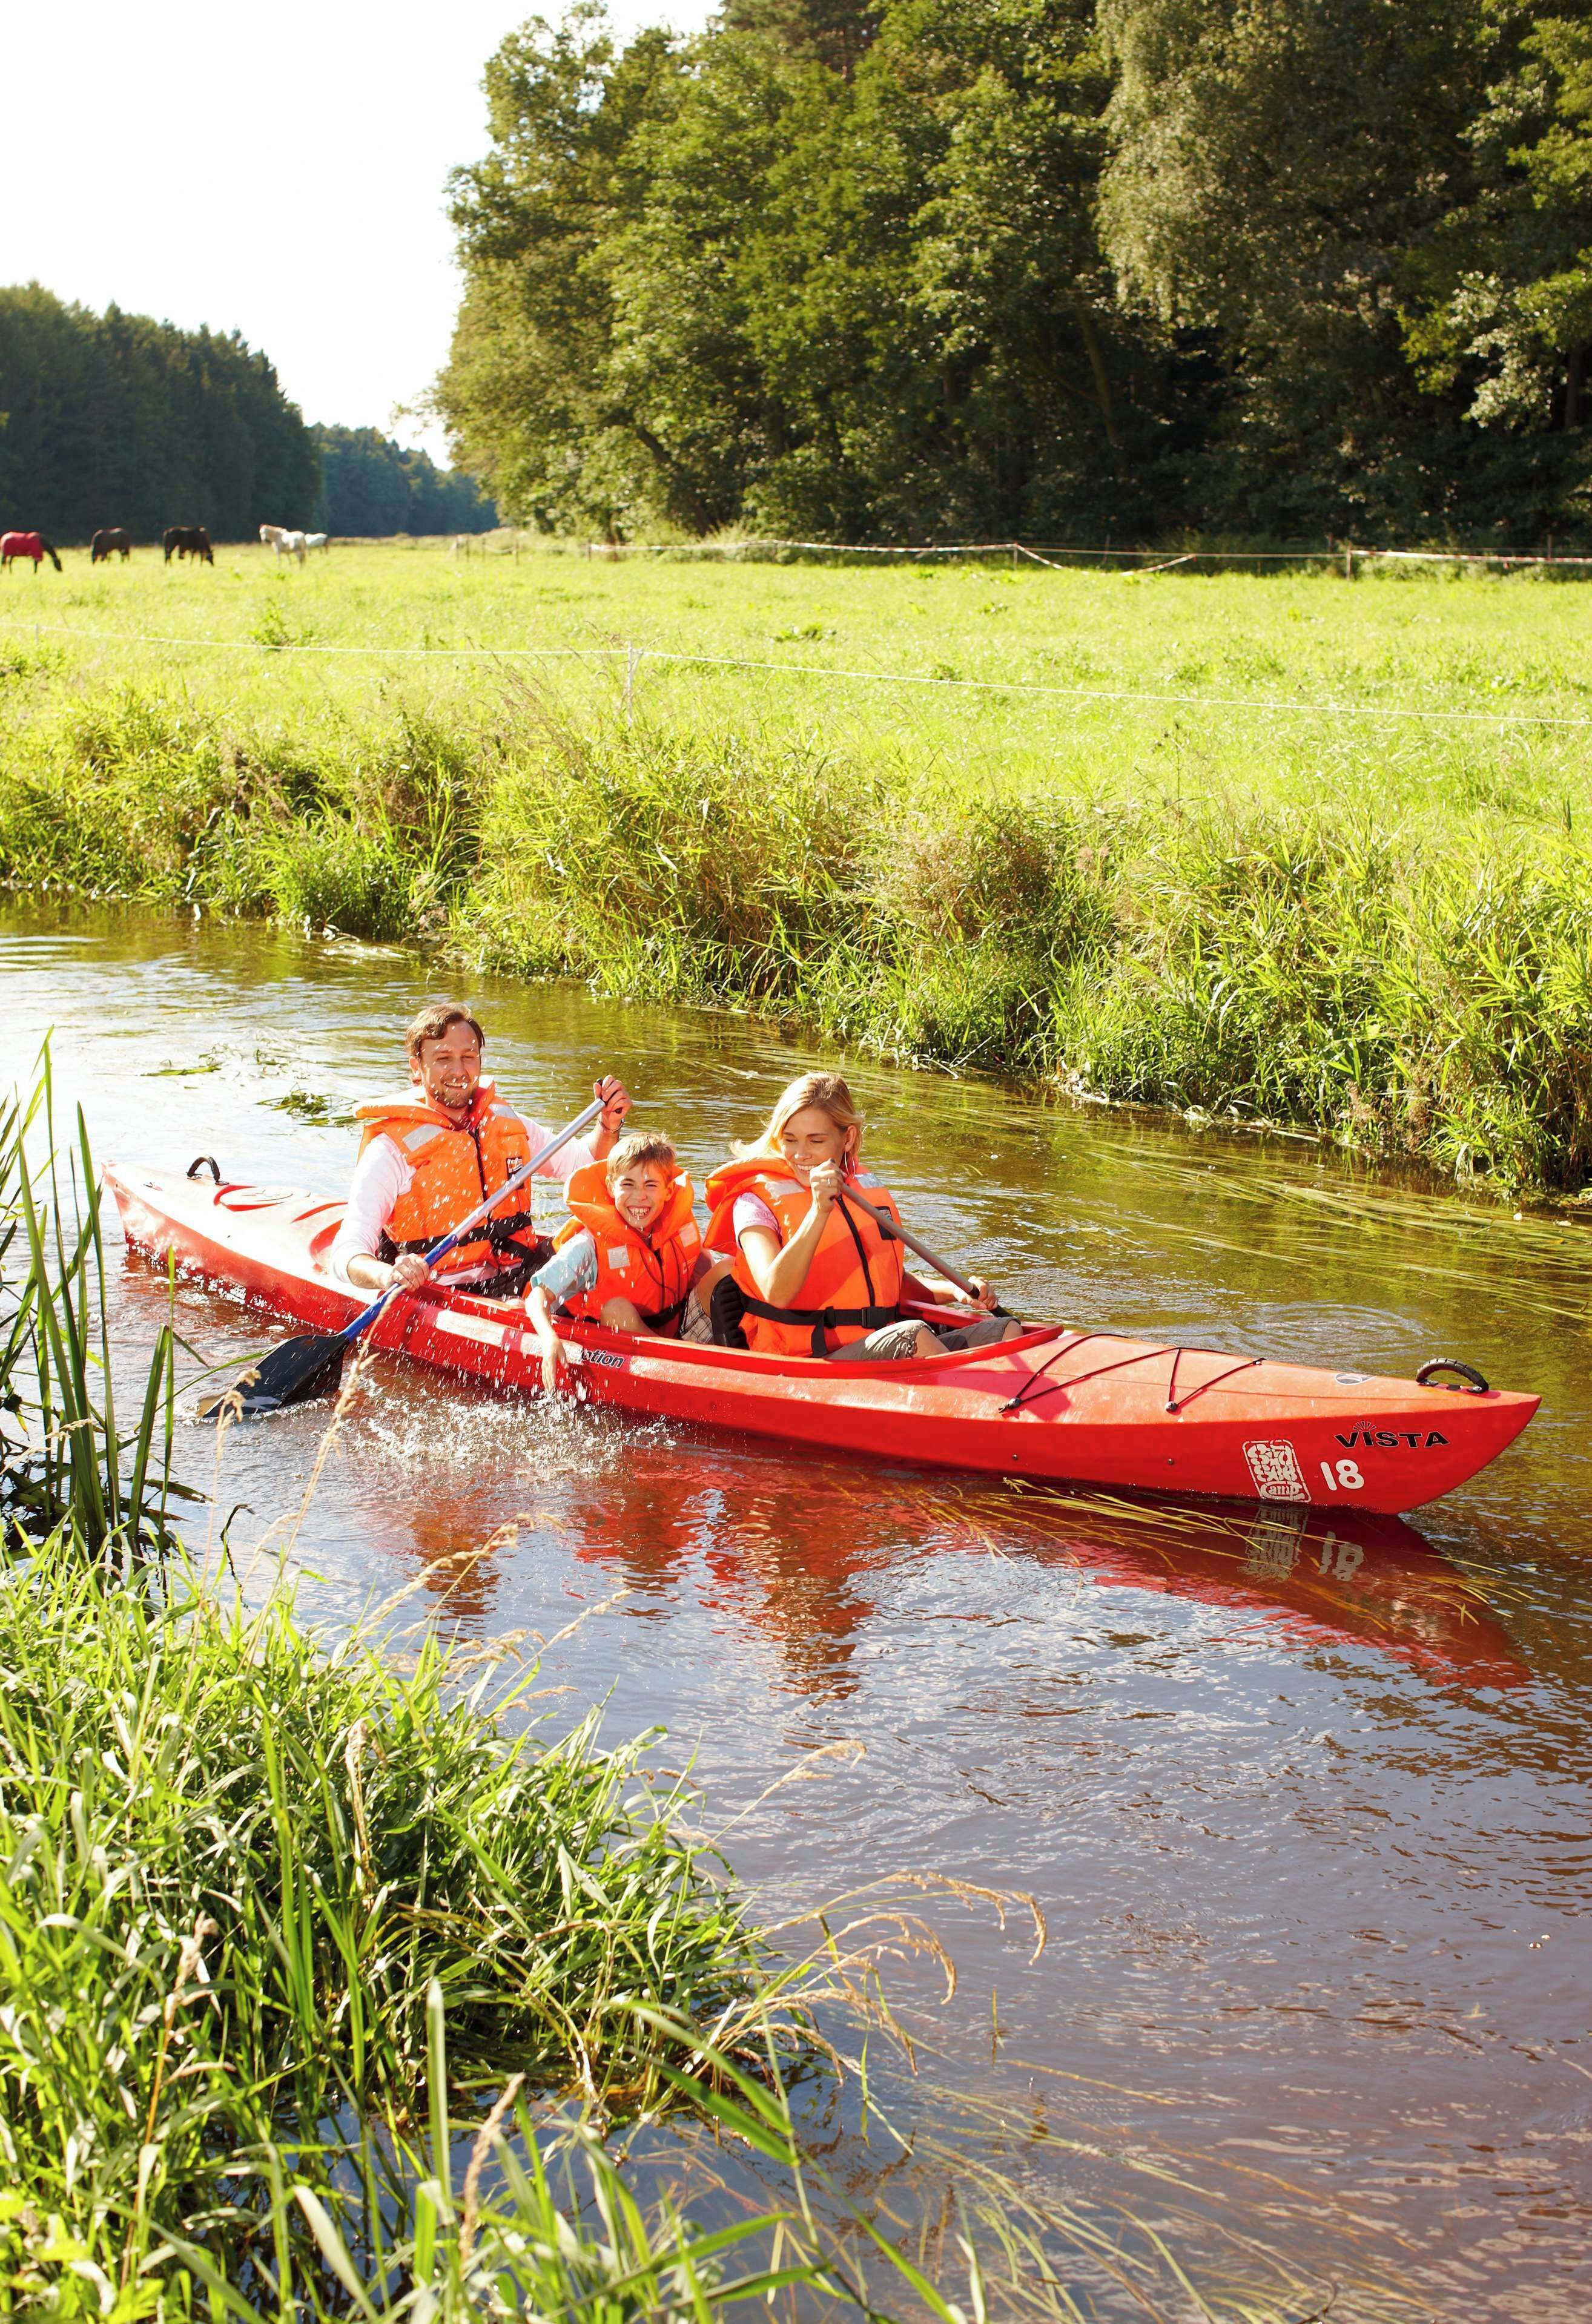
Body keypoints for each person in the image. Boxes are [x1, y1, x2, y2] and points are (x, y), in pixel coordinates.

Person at [702, 1071, 1022, 1360]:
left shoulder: (863, 1191)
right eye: (790, 1140)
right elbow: (776, 1292)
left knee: (1007, 1331)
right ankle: (985, 1403)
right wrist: (819, 1211)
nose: (800, 1154)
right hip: (807, 1358)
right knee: (914, 1336)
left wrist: (953, 1292)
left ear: (848, 1138)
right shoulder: (754, 1203)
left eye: (816, 1140)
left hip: (876, 1345)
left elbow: (888, 1284)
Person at [330, 999, 631, 1299]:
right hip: (439, 1292)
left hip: (521, 1278)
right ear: (417, 1068)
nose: (459, 1070)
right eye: (443, 1058)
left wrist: (607, 1126)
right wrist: (388, 1274)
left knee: (599, 1235)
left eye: (468, 1057)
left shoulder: (507, 1124)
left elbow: (585, 1165)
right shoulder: (390, 1150)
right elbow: (347, 1252)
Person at [524, 1130, 711, 1389]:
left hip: (675, 1328)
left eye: (651, 1185)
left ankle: (736, 1355)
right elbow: (537, 1297)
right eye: (628, 1184)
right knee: (617, 1310)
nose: (640, 1196)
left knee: (722, 1272)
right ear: (611, 1187)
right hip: (628, 1347)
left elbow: (701, 1276)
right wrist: (549, 1339)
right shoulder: (588, 1245)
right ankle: (686, 1372)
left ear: (669, 1190)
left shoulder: (676, 1228)